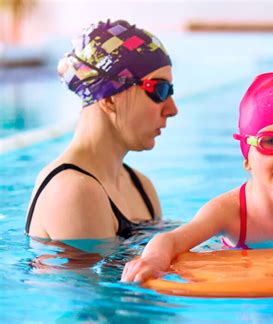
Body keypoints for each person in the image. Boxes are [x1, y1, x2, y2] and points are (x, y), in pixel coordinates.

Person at [121, 72, 273, 288]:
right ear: (247, 159)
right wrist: (151, 260)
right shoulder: (228, 210)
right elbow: (171, 240)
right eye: (270, 142)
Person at [25, 19, 178, 240]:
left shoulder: (141, 187)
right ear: (108, 98)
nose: (172, 109)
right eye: (159, 89)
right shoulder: (73, 192)